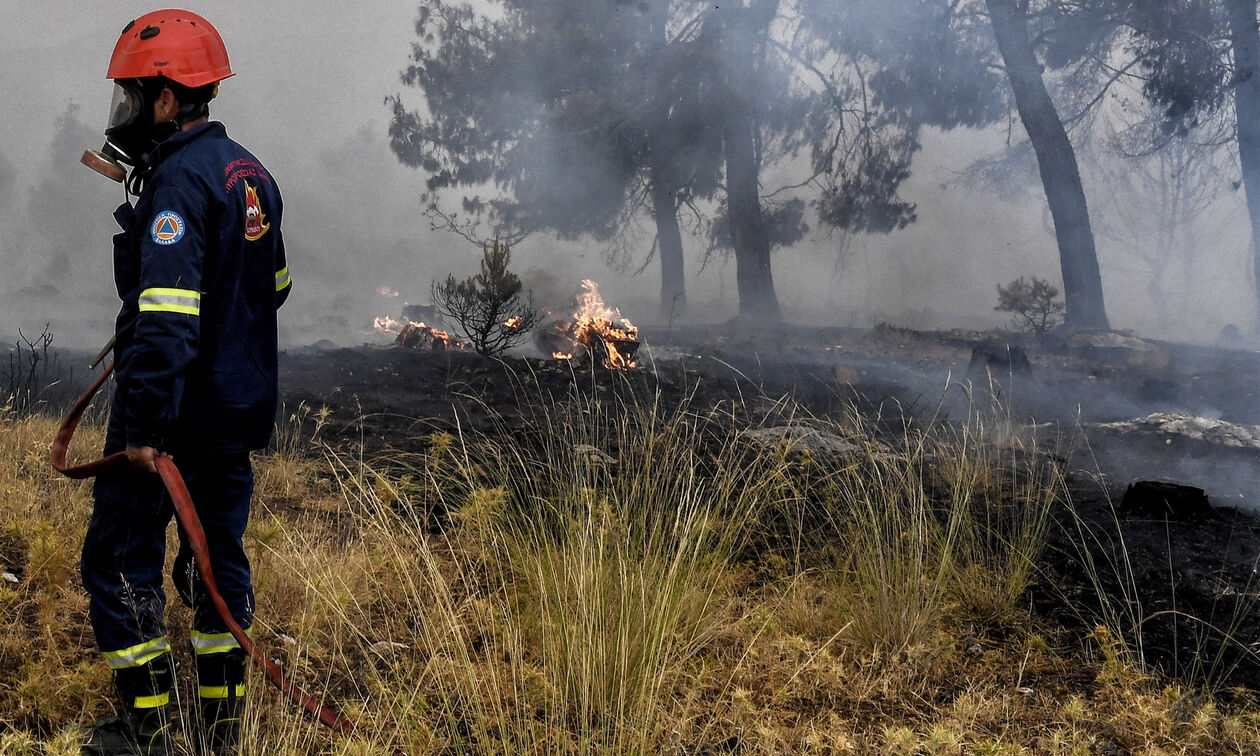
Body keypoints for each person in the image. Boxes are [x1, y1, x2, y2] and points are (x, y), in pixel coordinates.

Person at [79, 9, 291, 755]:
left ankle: (147, 736)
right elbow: (278, 286)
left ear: (168, 99)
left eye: (132, 97)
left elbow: (167, 323)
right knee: (214, 570)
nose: (125, 113)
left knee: (118, 560)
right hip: (234, 415)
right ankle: (223, 734)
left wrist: (140, 429)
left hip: (171, 423)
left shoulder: (174, 185)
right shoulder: (250, 173)